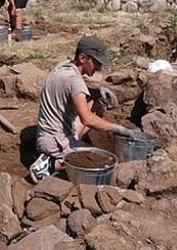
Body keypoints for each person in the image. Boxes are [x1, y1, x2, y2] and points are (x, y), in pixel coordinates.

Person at [29, 36, 134, 183]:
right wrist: (118, 129)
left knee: (95, 105)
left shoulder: (62, 67)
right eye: (96, 63)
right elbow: (87, 119)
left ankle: (64, 150)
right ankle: (51, 164)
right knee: (101, 163)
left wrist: (97, 92)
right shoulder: (74, 80)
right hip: (55, 142)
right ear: (83, 58)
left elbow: (69, 88)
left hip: (46, 134)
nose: (99, 68)